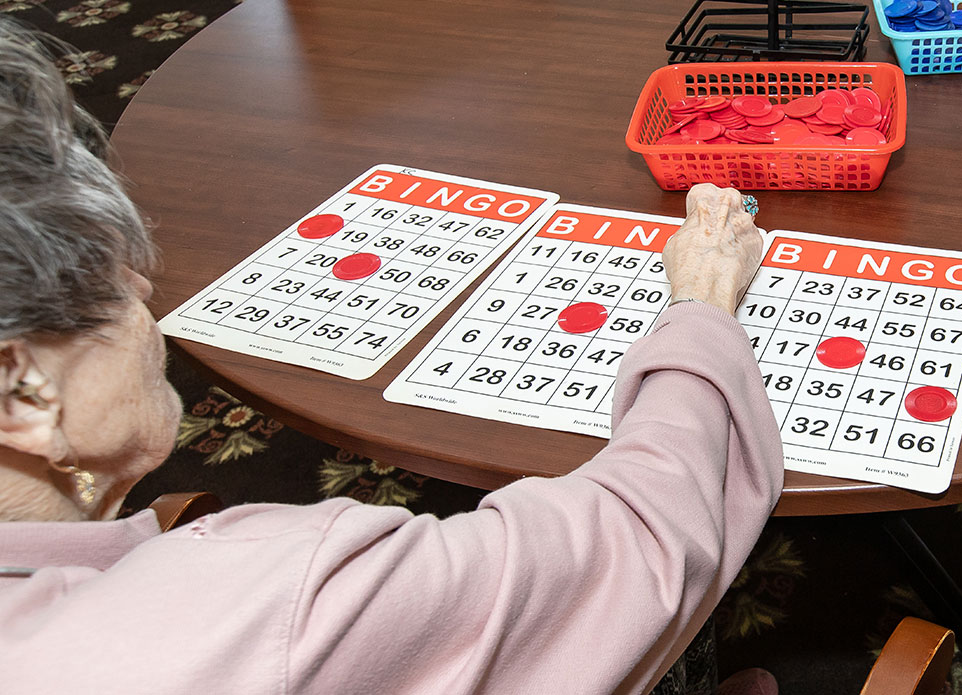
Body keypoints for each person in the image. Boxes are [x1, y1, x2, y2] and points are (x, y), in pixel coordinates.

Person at [0, 19, 783, 695]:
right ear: (18, 388)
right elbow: (634, 542)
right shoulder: (259, 599)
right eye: (103, 277)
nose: (140, 282)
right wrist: (704, 299)